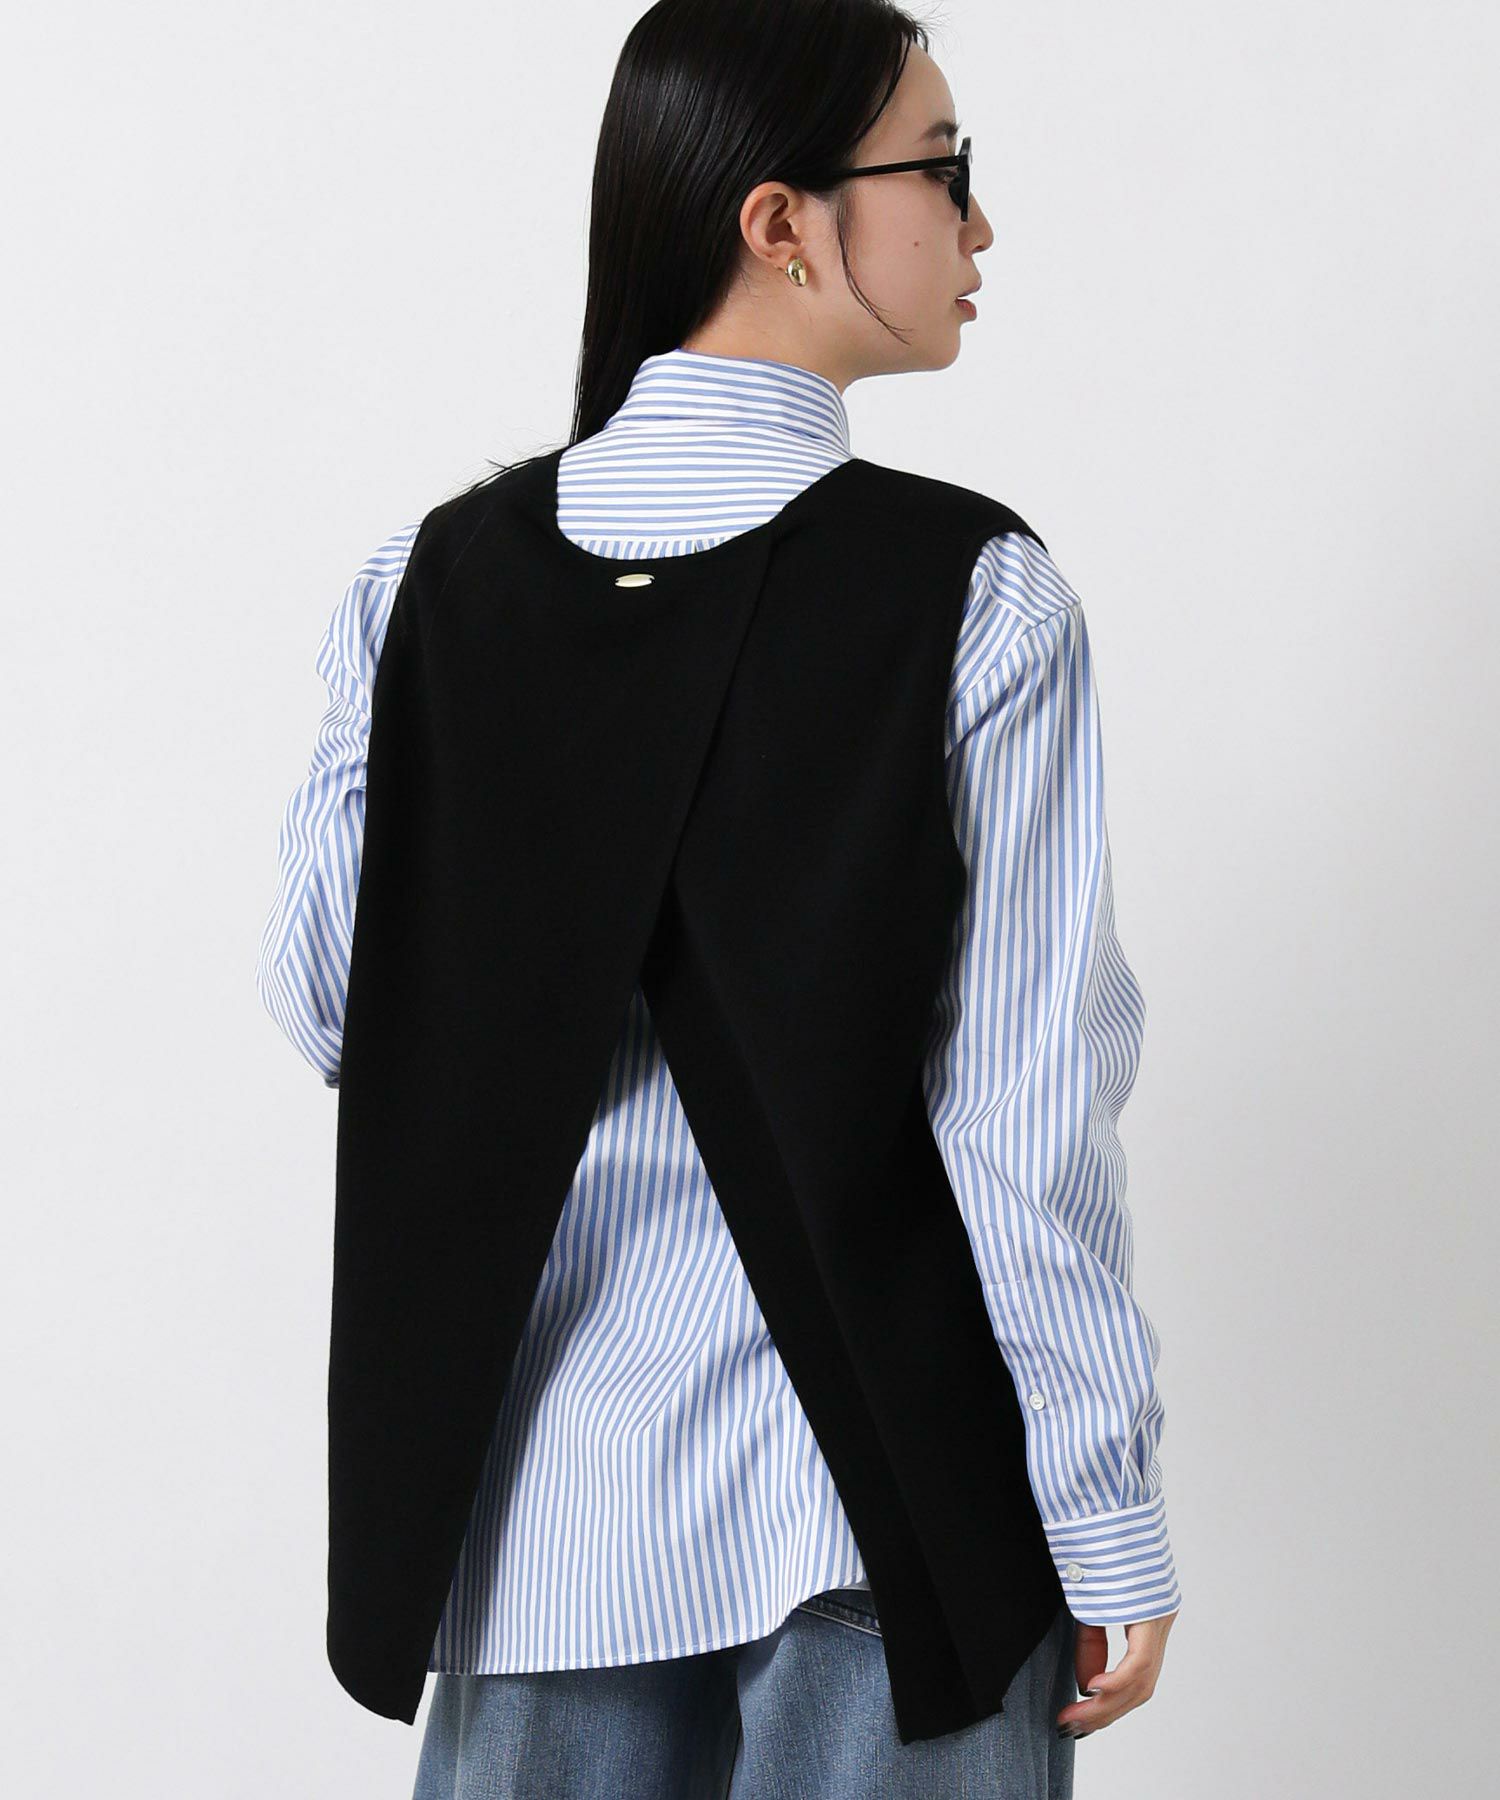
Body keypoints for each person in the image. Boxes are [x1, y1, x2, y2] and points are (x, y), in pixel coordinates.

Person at [256, 2, 1181, 1793]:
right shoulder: (973, 595)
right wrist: (1104, 1509)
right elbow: (1024, 1114)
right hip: (890, 1526)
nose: (979, 223)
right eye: (944, 170)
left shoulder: (427, 585)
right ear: (779, 223)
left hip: (540, 1526)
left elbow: (332, 1009)